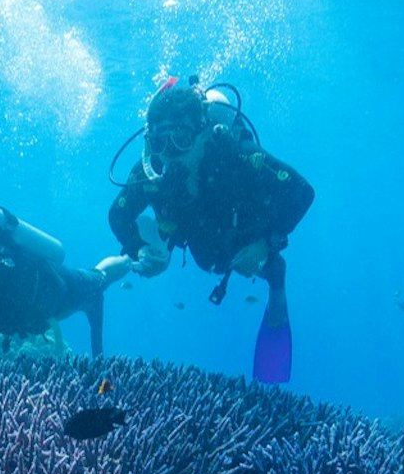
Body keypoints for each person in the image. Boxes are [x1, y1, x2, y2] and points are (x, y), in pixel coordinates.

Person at [107, 75, 314, 382]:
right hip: (198, 239)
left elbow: (302, 192)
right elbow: (117, 216)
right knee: (206, 259)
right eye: (160, 143)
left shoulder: (238, 154)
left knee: (250, 262)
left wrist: (265, 244)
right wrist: (141, 251)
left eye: (180, 139)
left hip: (243, 235)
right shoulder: (151, 170)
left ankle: (275, 279)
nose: (169, 154)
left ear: (203, 132)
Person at [0, 201, 130, 356]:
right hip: (31, 320)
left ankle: (131, 258)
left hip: (55, 287)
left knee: (100, 277)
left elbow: (46, 252)